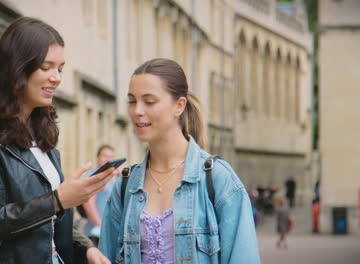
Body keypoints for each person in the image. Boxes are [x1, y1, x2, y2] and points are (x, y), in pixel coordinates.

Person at [0, 17, 117, 264]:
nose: (56, 77)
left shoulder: (43, 139)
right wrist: (57, 200)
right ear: (16, 69)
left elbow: (46, 222)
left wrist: (85, 247)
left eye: (60, 68)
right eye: (46, 67)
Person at [99, 58, 260, 263]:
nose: (137, 111)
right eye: (132, 101)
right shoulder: (124, 186)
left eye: (149, 101)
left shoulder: (218, 179)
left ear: (179, 105)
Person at [82, 145, 117, 245]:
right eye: (105, 156)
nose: (108, 159)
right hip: (96, 234)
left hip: (110, 233)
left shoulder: (111, 178)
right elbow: (88, 203)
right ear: (97, 157)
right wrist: (100, 226)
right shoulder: (93, 176)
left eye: (111, 157)